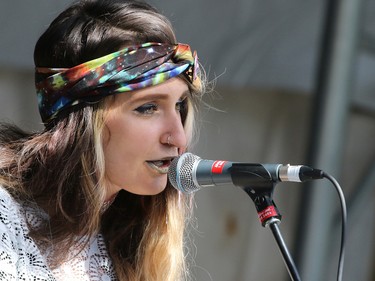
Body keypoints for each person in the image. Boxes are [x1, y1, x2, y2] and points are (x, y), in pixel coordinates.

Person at [0, 0, 206, 280]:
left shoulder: (128, 238)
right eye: (147, 108)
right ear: (82, 120)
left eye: (180, 106)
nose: (178, 136)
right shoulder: (6, 220)